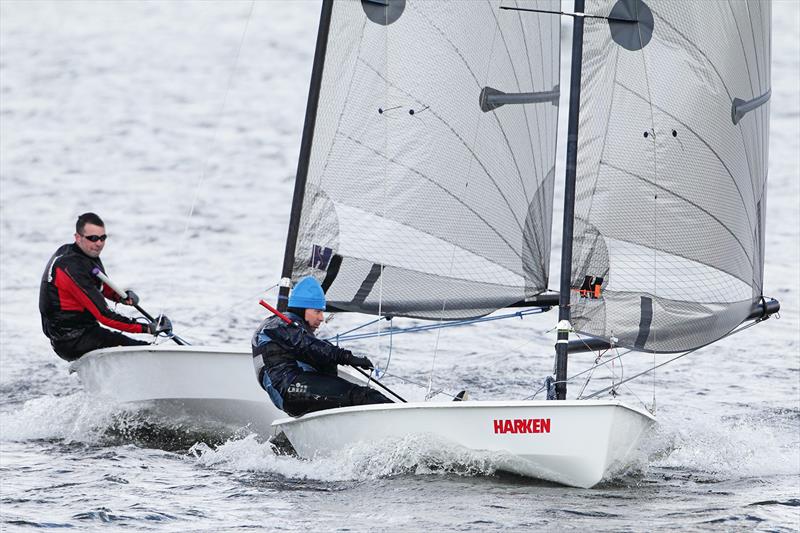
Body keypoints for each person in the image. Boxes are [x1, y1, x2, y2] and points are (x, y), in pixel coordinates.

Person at [39, 212, 172, 361]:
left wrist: (120, 296)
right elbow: (104, 316)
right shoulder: (70, 268)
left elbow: (99, 284)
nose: (99, 243)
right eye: (93, 238)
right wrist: (148, 328)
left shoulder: (84, 254)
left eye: (103, 238)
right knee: (140, 348)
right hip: (71, 340)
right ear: (78, 238)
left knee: (134, 345)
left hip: (86, 330)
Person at [252, 276, 392, 417]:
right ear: (302, 310)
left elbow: (314, 348)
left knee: (328, 358)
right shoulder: (279, 324)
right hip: (291, 389)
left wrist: (332, 354)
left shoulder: (286, 326)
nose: (321, 318)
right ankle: (404, 420)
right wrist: (347, 357)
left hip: (291, 390)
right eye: (317, 311)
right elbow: (307, 345)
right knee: (364, 395)